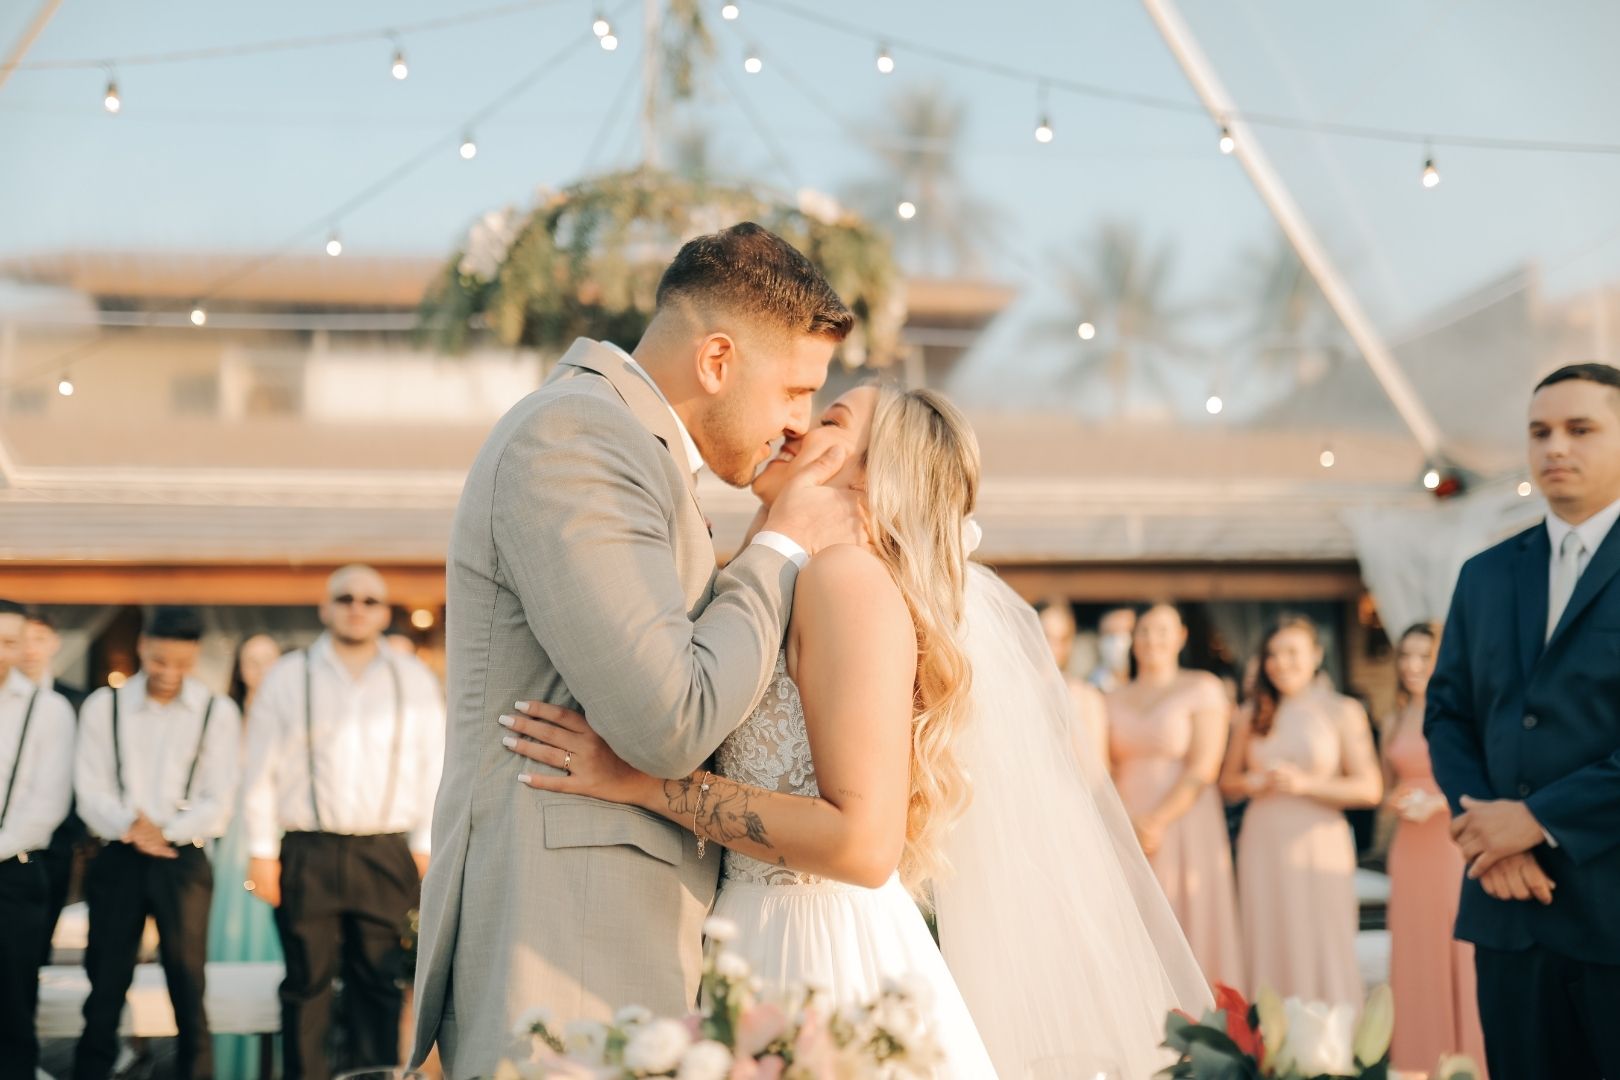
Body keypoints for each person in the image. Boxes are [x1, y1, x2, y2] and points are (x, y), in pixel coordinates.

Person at [503, 386, 1212, 1079]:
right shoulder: (785, 579)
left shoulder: (846, 582)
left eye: (831, 419)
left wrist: (643, 784)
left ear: (873, 474)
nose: (795, 428)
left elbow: (863, 843)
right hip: (747, 939)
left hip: (814, 954)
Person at [408, 223, 864, 1078]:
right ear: (718, 361)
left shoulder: (636, 453)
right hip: (567, 947)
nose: (799, 425)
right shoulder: (578, 438)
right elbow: (669, 718)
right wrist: (784, 544)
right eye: (796, 391)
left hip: (613, 941)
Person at [1427, 362, 1620, 1080]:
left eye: (1580, 429)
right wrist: (1492, 837)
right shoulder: (1485, 574)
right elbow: (1448, 712)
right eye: (1540, 432)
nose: (1554, 447)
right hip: (1508, 911)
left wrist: (1535, 820)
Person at [242, 566, 445, 1080]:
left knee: (377, 982)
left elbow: (434, 766)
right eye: (346, 597)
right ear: (325, 607)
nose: (357, 607)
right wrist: (262, 851)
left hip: (386, 851)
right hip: (307, 850)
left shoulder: (412, 678)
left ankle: (371, 1076)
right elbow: (259, 769)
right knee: (305, 983)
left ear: (383, 612)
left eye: (370, 600)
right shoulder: (289, 676)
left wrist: (423, 843)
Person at [73, 605, 242, 1080]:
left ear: (196, 657)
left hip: (183, 860)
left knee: (189, 985)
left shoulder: (217, 711)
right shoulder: (102, 707)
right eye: (161, 660)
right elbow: (90, 790)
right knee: (104, 983)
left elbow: (219, 799)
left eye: (183, 664)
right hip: (117, 857)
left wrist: (163, 832)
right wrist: (132, 825)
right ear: (143, 647)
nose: (170, 673)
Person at [1219, 615, 1381, 1008]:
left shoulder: (1343, 711)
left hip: (1318, 841)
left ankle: (1330, 1051)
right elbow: (1227, 783)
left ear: (1316, 655)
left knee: (1323, 940)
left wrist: (1306, 785)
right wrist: (1252, 783)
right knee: (1268, 937)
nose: (1281, 663)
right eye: (1272, 654)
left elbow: (1370, 788)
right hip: (1263, 840)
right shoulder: (1251, 714)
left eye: (1292, 652)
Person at [1107, 603, 1244, 989]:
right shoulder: (1113, 697)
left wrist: (1157, 820)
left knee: (1188, 917)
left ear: (1182, 637)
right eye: (1145, 631)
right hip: (1125, 822)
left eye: (1163, 630)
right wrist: (1127, 821)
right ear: (1133, 640)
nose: (1153, 640)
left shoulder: (1202, 688)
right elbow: (1104, 768)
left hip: (1185, 820)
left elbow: (1204, 767)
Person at [1381, 621, 1487, 1076]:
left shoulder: (1470, 713)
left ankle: (1471, 1060)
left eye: (1424, 656)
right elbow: (1385, 789)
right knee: (1416, 947)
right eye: (1405, 656)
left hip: (1452, 841)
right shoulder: (1394, 717)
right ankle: (1421, 1058)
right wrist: (1400, 799)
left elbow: (1488, 785)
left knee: (1458, 947)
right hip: (1409, 846)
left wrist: (1439, 804)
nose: (1412, 665)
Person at [0, 599, 76, 1079]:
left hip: (14, 875)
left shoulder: (49, 711)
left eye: (8, 642)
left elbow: (45, 808)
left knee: (12, 1008)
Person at [209, 633, 285, 1080]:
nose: (261, 669)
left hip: (276, 839)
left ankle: (269, 1063)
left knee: (272, 939)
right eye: (252, 661)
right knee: (228, 936)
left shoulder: (291, 717)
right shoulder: (225, 718)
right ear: (239, 668)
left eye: (269, 660)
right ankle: (226, 1064)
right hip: (231, 840)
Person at [22, 609, 90, 966]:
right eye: (23, 639)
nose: (30, 649)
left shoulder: (77, 702)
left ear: (55, 644)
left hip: (57, 844)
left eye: (39, 639)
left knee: (36, 946)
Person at [1036, 596, 1109, 767]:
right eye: (1045, 636)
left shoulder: (1085, 696)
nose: (1051, 647)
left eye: (1061, 639)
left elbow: (1097, 769)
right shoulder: (1011, 692)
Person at [1088, 607, 1135, 693]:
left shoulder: (1149, 683)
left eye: (1125, 632)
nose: (1116, 642)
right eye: (1109, 634)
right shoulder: (1090, 688)